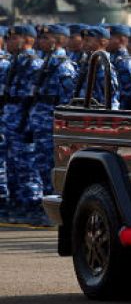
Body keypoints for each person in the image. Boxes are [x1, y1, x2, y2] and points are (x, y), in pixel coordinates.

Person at [19, 24, 76, 225]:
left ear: (59, 40)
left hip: (52, 124)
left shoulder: (63, 65)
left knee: (52, 168)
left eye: (46, 38)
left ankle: (57, 213)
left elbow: (68, 100)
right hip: (41, 123)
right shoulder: (48, 62)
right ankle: (46, 211)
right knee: (42, 167)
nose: (41, 41)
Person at [1, 25, 43, 222]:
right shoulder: (16, 63)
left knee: (27, 166)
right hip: (11, 122)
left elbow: (31, 99)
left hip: (24, 123)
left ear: (27, 40)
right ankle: (17, 204)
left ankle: (33, 206)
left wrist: (27, 125)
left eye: (14, 38)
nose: (8, 42)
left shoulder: (33, 64)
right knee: (13, 166)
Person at [106, 25, 131, 110]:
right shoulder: (113, 58)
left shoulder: (125, 62)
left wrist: (121, 111)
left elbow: (130, 93)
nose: (106, 42)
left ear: (121, 40)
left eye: (109, 39)